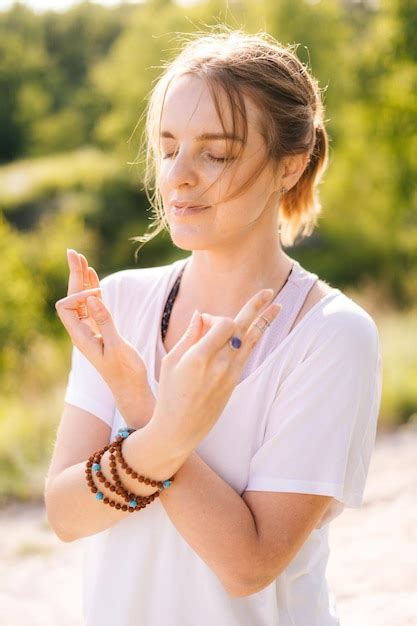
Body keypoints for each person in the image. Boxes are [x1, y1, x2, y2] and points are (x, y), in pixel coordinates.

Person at [45, 31, 382, 626]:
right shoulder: (119, 304)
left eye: (217, 154)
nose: (178, 176)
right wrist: (159, 420)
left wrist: (144, 408)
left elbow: (248, 565)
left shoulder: (332, 337)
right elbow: (66, 516)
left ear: (290, 166)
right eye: (170, 147)